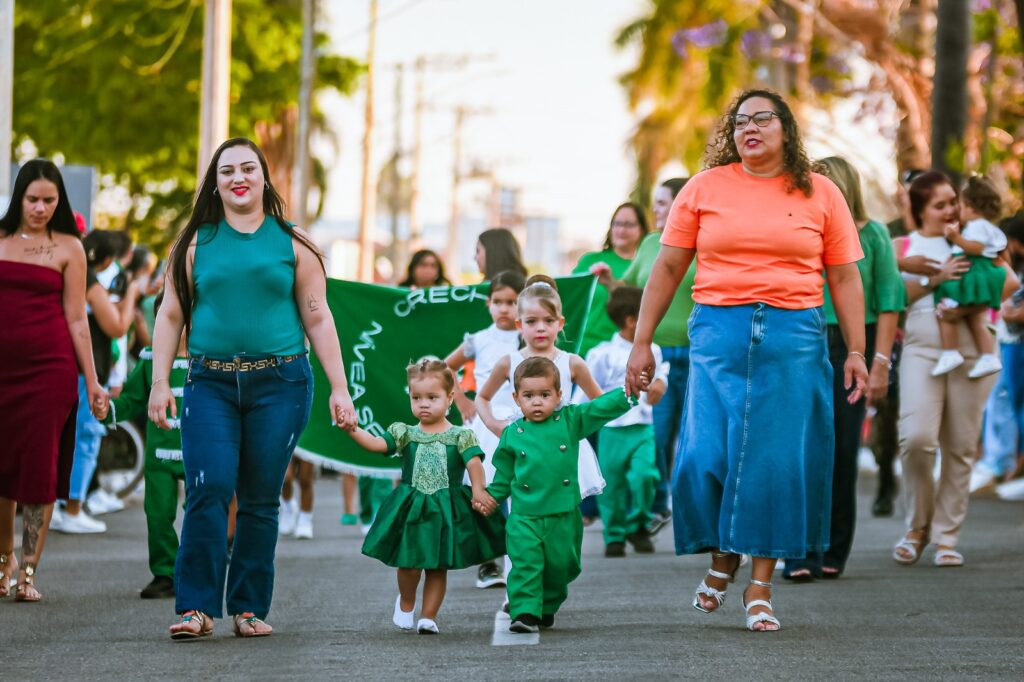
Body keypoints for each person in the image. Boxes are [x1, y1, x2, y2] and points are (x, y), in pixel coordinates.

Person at [625, 89, 868, 632]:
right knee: (703, 454)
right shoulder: (704, 187)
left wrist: (856, 350)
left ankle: (759, 586)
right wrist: (641, 342)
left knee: (773, 462)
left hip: (793, 335)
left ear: (787, 129)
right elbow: (667, 268)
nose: (749, 128)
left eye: (762, 118)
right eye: (740, 122)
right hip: (717, 331)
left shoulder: (822, 192)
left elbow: (845, 276)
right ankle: (723, 555)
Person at [148, 137, 356, 639]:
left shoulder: (294, 242)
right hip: (209, 383)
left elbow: (318, 317)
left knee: (261, 498)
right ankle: (196, 609)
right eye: (227, 171)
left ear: (264, 177)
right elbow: (170, 315)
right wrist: (159, 383)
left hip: (281, 384)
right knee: (209, 488)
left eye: (247, 169)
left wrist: (340, 388)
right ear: (214, 184)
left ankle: (248, 608)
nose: (237, 178)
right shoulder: (193, 243)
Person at [781, 156, 905, 581]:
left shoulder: (874, 234)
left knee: (842, 451)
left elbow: (889, 302)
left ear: (842, 187)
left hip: (851, 346)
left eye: (823, 181)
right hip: (801, 341)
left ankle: (833, 549)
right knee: (799, 450)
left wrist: (880, 363)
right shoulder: (799, 230)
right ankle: (799, 553)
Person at [891, 171, 1019, 568]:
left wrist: (966, 305)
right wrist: (937, 279)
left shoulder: (975, 239)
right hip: (920, 350)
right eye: (940, 205)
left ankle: (946, 537)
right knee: (916, 440)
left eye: (953, 202)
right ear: (920, 210)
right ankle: (917, 527)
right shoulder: (902, 246)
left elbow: (1009, 283)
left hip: (972, 350)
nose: (951, 210)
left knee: (961, 447)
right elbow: (891, 296)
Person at [0, 159, 107, 602]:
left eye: (49, 200)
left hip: (50, 371)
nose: (40, 208)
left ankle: (27, 572)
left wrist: (93, 381)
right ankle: (3, 561)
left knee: (40, 468)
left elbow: (78, 319)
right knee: (3, 466)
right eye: (32, 199)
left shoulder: (69, 247)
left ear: (60, 201)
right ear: (18, 198)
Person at [346, 360, 505, 634]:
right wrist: (352, 429)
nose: (424, 404)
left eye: (432, 398)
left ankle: (428, 616)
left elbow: (474, 465)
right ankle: (406, 601)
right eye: (416, 398)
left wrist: (479, 490)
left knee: (437, 566)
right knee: (409, 563)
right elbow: (375, 444)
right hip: (412, 507)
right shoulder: (405, 433)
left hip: (445, 509)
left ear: (450, 398)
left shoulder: (461, 436)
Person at [479, 357, 636, 633]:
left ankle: (547, 605)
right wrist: (490, 498)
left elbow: (598, 408)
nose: (537, 402)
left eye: (544, 395)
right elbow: (503, 476)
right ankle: (525, 612)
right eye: (529, 396)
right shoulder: (512, 434)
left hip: (563, 514)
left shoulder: (570, 420)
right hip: (524, 515)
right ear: (516, 398)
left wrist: (628, 392)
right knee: (526, 563)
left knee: (560, 565)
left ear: (558, 395)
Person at [594, 177, 693, 536]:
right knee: (658, 434)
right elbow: (632, 290)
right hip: (655, 353)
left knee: (695, 437)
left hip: (698, 354)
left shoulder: (705, 241)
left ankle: (696, 511)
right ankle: (659, 504)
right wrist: (609, 281)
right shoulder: (652, 243)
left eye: (663, 202)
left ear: (682, 204)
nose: (655, 209)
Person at [475, 277, 607, 502]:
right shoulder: (508, 362)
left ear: (560, 323)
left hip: (561, 450)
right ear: (519, 325)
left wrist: (577, 425)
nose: (541, 328)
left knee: (562, 505)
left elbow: (601, 404)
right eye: (532, 321)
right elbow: (483, 397)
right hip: (523, 447)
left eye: (548, 320)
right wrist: (494, 424)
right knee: (520, 503)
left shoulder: (572, 363)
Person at [100, 293, 187, 599]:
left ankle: (196, 572)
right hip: (159, 457)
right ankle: (165, 573)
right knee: (158, 514)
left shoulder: (208, 358)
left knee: (201, 515)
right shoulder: (151, 359)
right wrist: (107, 409)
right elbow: (132, 399)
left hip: (201, 454)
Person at [55, 229, 141, 534]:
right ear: (107, 259)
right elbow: (117, 326)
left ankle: (59, 506)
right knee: (86, 438)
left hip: (65, 367)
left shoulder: (66, 272)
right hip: (86, 371)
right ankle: (72, 508)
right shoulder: (87, 279)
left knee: (66, 438)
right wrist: (132, 293)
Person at [444, 269, 526, 589]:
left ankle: (520, 559)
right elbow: (446, 367)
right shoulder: (478, 339)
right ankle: (488, 562)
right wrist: (462, 400)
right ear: (488, 304)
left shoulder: (528, 337)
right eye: (498, 302)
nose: (505, 308)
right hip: (486, 421)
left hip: (521, 421)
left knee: (520, 487)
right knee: (487, 488)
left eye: (512, 302)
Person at [585, 286, 667, 556]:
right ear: (632, 320)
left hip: (643, 427)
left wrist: (661, 382)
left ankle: (639, 525)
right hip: (611, 429)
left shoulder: (653, 349)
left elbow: (661, 372)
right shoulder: (601, 353)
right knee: (612, 485)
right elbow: (587, 389)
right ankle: (615, 535)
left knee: (645, 476)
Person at [931, 176, 1007, 378]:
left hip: (971, 275)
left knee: (945, 306)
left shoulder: (977, 226)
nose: (959, 210)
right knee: (976, 320)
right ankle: (987, 356)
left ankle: (950, 351)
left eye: (962, 206)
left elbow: (977, 248)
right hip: (975, 273)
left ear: (972, 208)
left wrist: (955, 238)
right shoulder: (981, 226)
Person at [971, 216, 1024, 492]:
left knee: (1013, 402)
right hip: (1007, 341)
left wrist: (1011, 313)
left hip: (1017, 343)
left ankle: (1008, 466)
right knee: (1003, 401)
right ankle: (1002, 464)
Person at [572, 202, 649, 357]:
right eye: (617, 223)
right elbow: (570, 301)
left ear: (641, 229)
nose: (621, 230)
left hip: (623, 354)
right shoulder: (589, 260)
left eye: (629, 225)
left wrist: (611, 284)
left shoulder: (645, 268)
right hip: (583, 348)